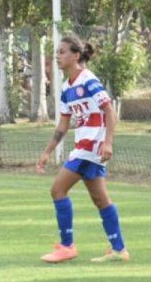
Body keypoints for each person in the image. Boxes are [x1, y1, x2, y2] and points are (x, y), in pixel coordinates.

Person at [36, 36, 129, 263]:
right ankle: (119, 249)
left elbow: (110, 111)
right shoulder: (67, 89)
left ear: (76, 56)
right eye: (57, 52)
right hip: (85, 146)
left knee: (57, 190)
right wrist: (48, 151)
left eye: (62, 52)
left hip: (90, 147)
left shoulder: (88, 80)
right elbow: (63, 126)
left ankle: (67, 246)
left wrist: (107, 142)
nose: (57, 56)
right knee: (101, 200)